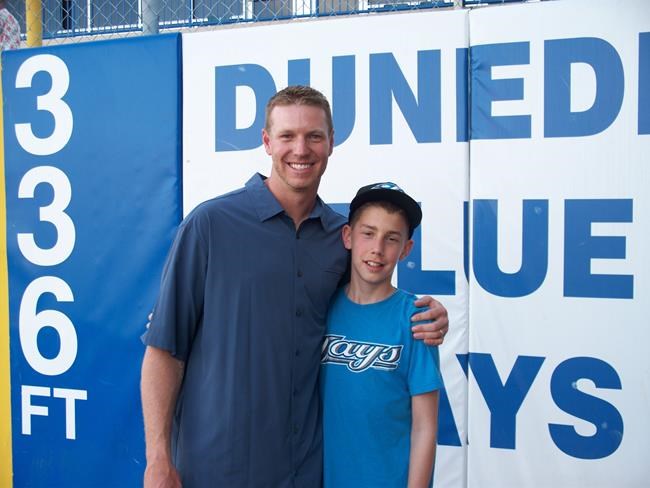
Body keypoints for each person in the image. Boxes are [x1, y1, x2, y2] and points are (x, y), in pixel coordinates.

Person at [140, 86, 449, 487]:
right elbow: (164, 348)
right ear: (267, 142)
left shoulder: (340, 237)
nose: (300, 149)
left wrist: (430, 316)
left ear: (331, 142)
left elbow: (370, 303)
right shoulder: (210, 225)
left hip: (303, 471)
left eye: (314, 136)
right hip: (215, 467)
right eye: (287, 135)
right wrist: (158, 458)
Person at [321, 182, 442, 488]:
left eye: (391, 238)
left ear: (406, 249)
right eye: (368, 233)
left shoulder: (416, 319)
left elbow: (425, 427)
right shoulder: (321, 308)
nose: (377, 248)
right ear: (348, 236)